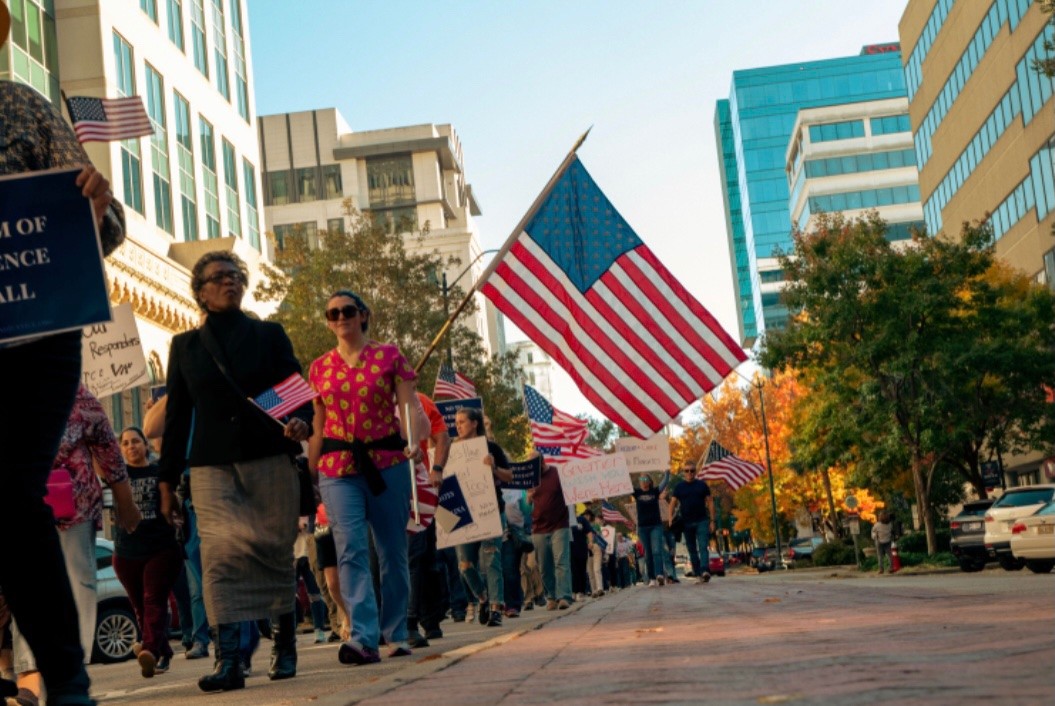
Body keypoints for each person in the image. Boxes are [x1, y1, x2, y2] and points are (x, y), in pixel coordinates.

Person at [0, 6, 126, 700]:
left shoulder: (20, 105)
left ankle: (66, 678)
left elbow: (103, 234)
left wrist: (96, 201)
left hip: (38, 342)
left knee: (11, 496)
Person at [158, 250, 314, 692]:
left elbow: (297, 394)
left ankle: (284, 647)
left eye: (235, 276)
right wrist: (167, 481)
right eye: (219, 277)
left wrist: (303, 420)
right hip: (211, 467)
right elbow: (177, 419)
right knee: (219, 558)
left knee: (273, 550)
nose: (230, 282)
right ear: (201, 292)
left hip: (268, 456)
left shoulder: (269, 335)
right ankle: (228, 661)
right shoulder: (184, 346)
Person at [307, 290, 429, 665]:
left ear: (363, 315)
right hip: (338, 468)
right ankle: (363, 637)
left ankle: (396, 632)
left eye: (347, 311)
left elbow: (410, 407)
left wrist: (416, 437)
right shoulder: (318, 368)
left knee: (392, 551)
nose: (340, 317)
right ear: (328, 321)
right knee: (351, 549)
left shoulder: (390, 356)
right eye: (332, 313)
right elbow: (318, 423)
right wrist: (309, 473)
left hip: (387, 462)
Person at [113, 427, 183, 677]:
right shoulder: (117, 476)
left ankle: (150, 650)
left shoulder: (158, 471)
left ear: (145, 445)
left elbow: (174, 497)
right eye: (126, 443)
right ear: (120, 449)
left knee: (153, 600)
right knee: (140, 607)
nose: (131, 446)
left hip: (160, 548)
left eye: (136, 442)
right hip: (126, 551)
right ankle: (161, 650)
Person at [450, 407, 513, 627]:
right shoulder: (451, 450)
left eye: (462, 421)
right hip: (463, 514)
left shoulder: (491, 448)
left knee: (492, 559)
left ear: (475, 423)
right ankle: (483, 598)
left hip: (490, 510)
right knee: (465, 565)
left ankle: (496, 607)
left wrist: (494, 467)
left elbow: (509, 476)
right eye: (456, 422)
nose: (458, 426)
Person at [406, 392, 451, 648]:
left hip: (415, 483)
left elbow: (442, 436)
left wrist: (436, 469)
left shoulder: (420, 401)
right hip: (380, 484)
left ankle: (418, 620)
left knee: (418, 555)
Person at [529, 457, 573, 610]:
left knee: (561, 562)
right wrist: (528, 498)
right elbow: (523, 506)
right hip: (538, 528)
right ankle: (552, 596)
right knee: (544, 566)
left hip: (559, 525)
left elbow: (572, 491)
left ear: (542, 463)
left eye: (535, 465)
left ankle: (564, 597)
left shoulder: (557, 473)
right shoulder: (529, 478)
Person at [666, 461, 716, 584]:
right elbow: (672, 503)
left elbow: (710, 502)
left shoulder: (702, 485)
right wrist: (670, 518)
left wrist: (712, 521)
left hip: (702, 521)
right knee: (692, 549)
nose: (689, 473)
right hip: (686, 523)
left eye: (692, 470)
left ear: (695, 472)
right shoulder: (679, 487)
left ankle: (705, 571)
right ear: (683, 472)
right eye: (687, 470)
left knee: (703, 547)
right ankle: (699, 573)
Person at [629, 473, 671, 586]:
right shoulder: (637, 493)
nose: (643, 480)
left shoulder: (655, 491)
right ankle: (652, 578)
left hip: (655, 525)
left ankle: (659, 575)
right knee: (648, 553)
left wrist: (667, 471)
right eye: (641, 478)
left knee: (656, 550)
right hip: (643, 527)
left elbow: (665, 481)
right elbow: (625, 485)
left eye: (645, 478)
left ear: (649, 481)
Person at [582, 509, 606, 597]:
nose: (586, 517)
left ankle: (600, 588)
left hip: (596, 548)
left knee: (597, 569)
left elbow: (600, 537)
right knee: (590, 572)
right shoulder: (581, 527)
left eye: (588, 515)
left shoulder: (595, 526)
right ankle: (594, 590)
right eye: (585, 515)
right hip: (586, 549)